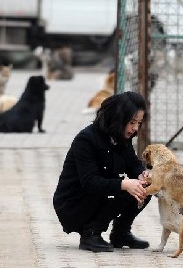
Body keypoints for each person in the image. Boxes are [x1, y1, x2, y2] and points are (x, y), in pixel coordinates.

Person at [52, 91, 152, 252]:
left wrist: (142, 174)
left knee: (145, 186)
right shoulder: (86, 139)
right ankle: (90, 234)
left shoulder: (121, 136)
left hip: (99, 193)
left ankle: (121, 233)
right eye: (132, 122)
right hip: (75, 202)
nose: (135, 128)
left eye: (139, 123)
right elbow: (90, 182)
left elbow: (132, 163)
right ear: (118, 118)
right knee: (121, 189)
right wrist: (124, 184)